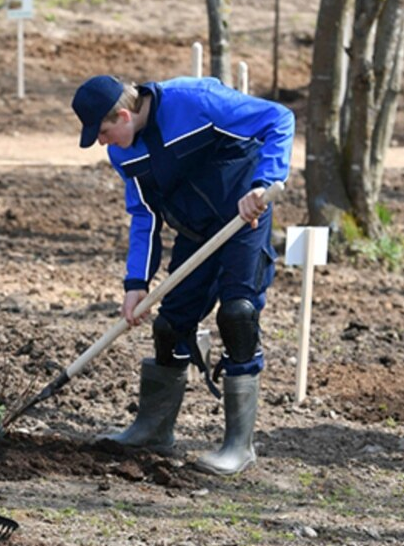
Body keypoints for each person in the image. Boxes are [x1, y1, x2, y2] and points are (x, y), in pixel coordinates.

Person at [71, 74, 294, 475]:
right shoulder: (124, 153)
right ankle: (155, 429)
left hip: (243, 219)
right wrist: (136, 284)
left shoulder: (196, 101)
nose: (103, 143)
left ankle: (239, 446)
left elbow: (278, 118)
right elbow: (144, 217)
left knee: (238, 315)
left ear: (124, 116)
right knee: (170, 326)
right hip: (195, 232)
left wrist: (263, 184)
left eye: (103, 132)